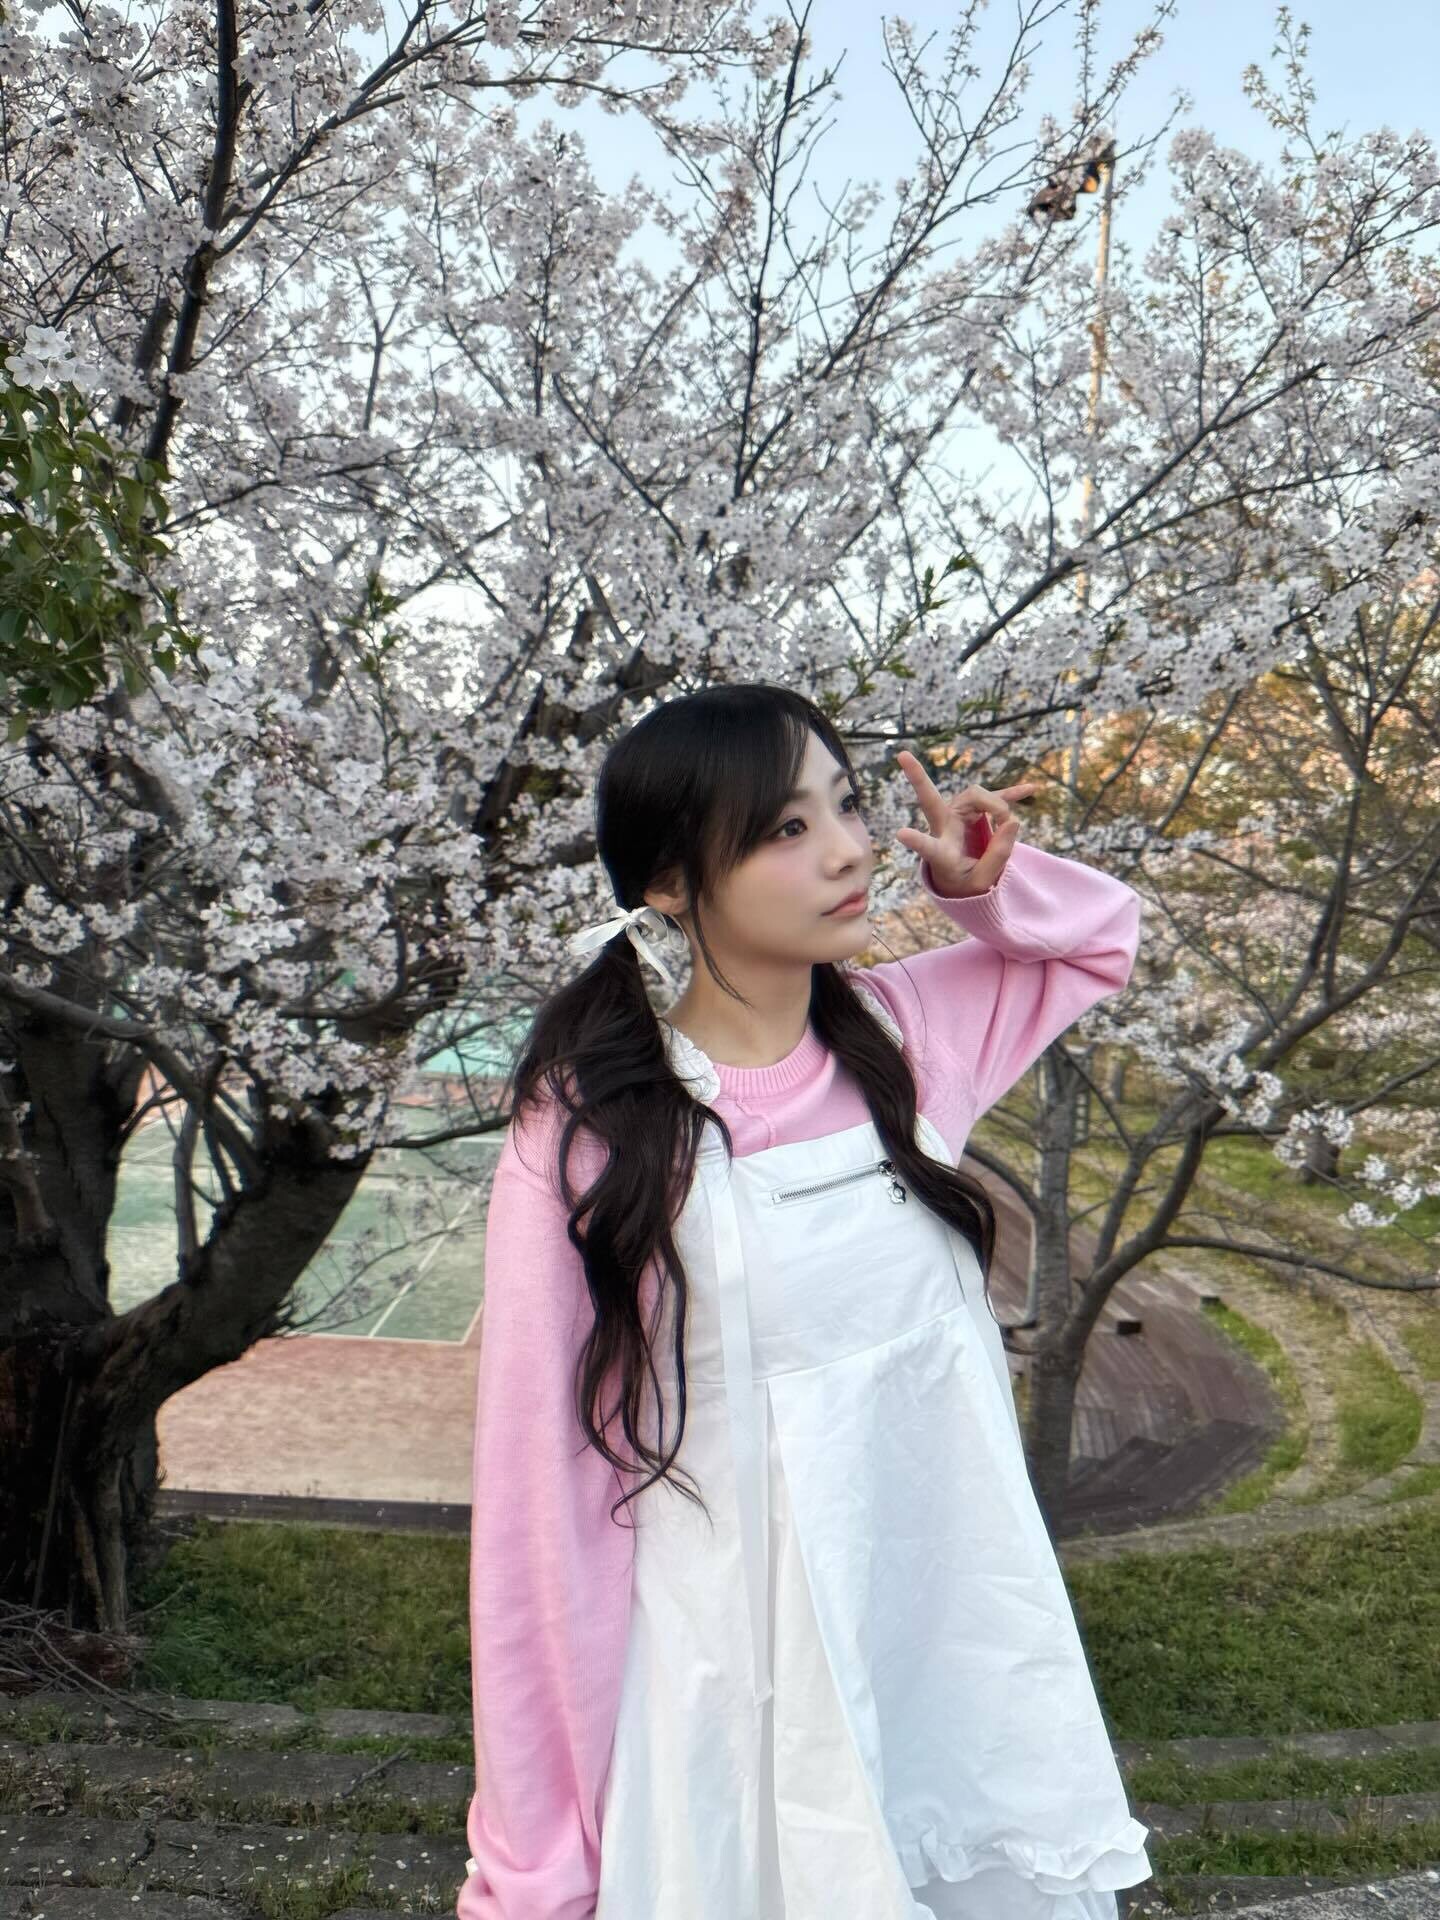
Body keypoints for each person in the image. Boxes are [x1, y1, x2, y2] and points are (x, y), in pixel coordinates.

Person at [458, 683, 1154, 1920]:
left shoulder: (905, 1033)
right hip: (732, 1684)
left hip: (946, 1641)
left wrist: (987, 893)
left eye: (845, 805)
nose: (849, 851)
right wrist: (534, 1865)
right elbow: (539, 1499)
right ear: (670, 881)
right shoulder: (593, 1129)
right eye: (786, 828)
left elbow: (1100, 939)